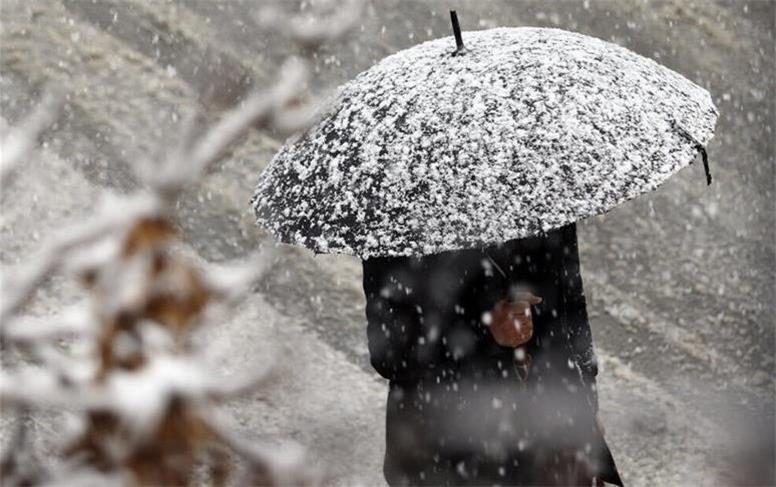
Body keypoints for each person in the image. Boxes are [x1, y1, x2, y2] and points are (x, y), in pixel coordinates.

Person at [362, 223, 623, 486]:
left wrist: (586, 401)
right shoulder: (401, 214)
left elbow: (570, 302)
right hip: (448, 448)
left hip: (552, 438)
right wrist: (484, 330)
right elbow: (390, 352)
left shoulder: (541, 190)